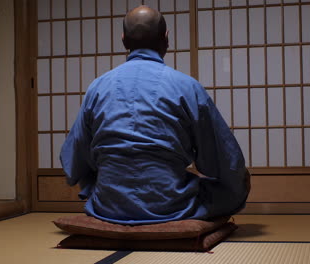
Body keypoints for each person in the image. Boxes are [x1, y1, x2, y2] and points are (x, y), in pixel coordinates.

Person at [60, 5, 250, 225]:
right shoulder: (187, 87)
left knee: (91, 176)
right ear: (166, 38)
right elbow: (222, 160)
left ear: (123, 40)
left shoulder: (97, 87)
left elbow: (73, 162)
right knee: (237, 182)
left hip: (109, 206)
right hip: (171, 205)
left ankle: (115, 198)